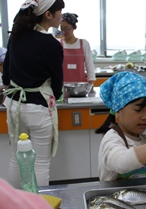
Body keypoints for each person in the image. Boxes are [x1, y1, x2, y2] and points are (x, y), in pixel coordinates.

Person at [2, 0, 65, 187]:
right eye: (60, 11)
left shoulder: (16, 36)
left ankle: (13, 204)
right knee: (40, 163)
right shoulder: (51, 44)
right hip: (38, 108)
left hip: (14, 106)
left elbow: (6, 73)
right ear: (48, 14)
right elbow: (57, 83)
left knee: (16, 158)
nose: (61, 15)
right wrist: (51, 95)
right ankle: (39, 205)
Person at [60, 12, 96, 86]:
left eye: (67, 29)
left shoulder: (84, 44)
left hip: (80, 86)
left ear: (74, 27)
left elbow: (89, 65)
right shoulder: (58, 44)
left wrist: (91, 83)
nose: (64, 32)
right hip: (62, 86)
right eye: (62, 29)